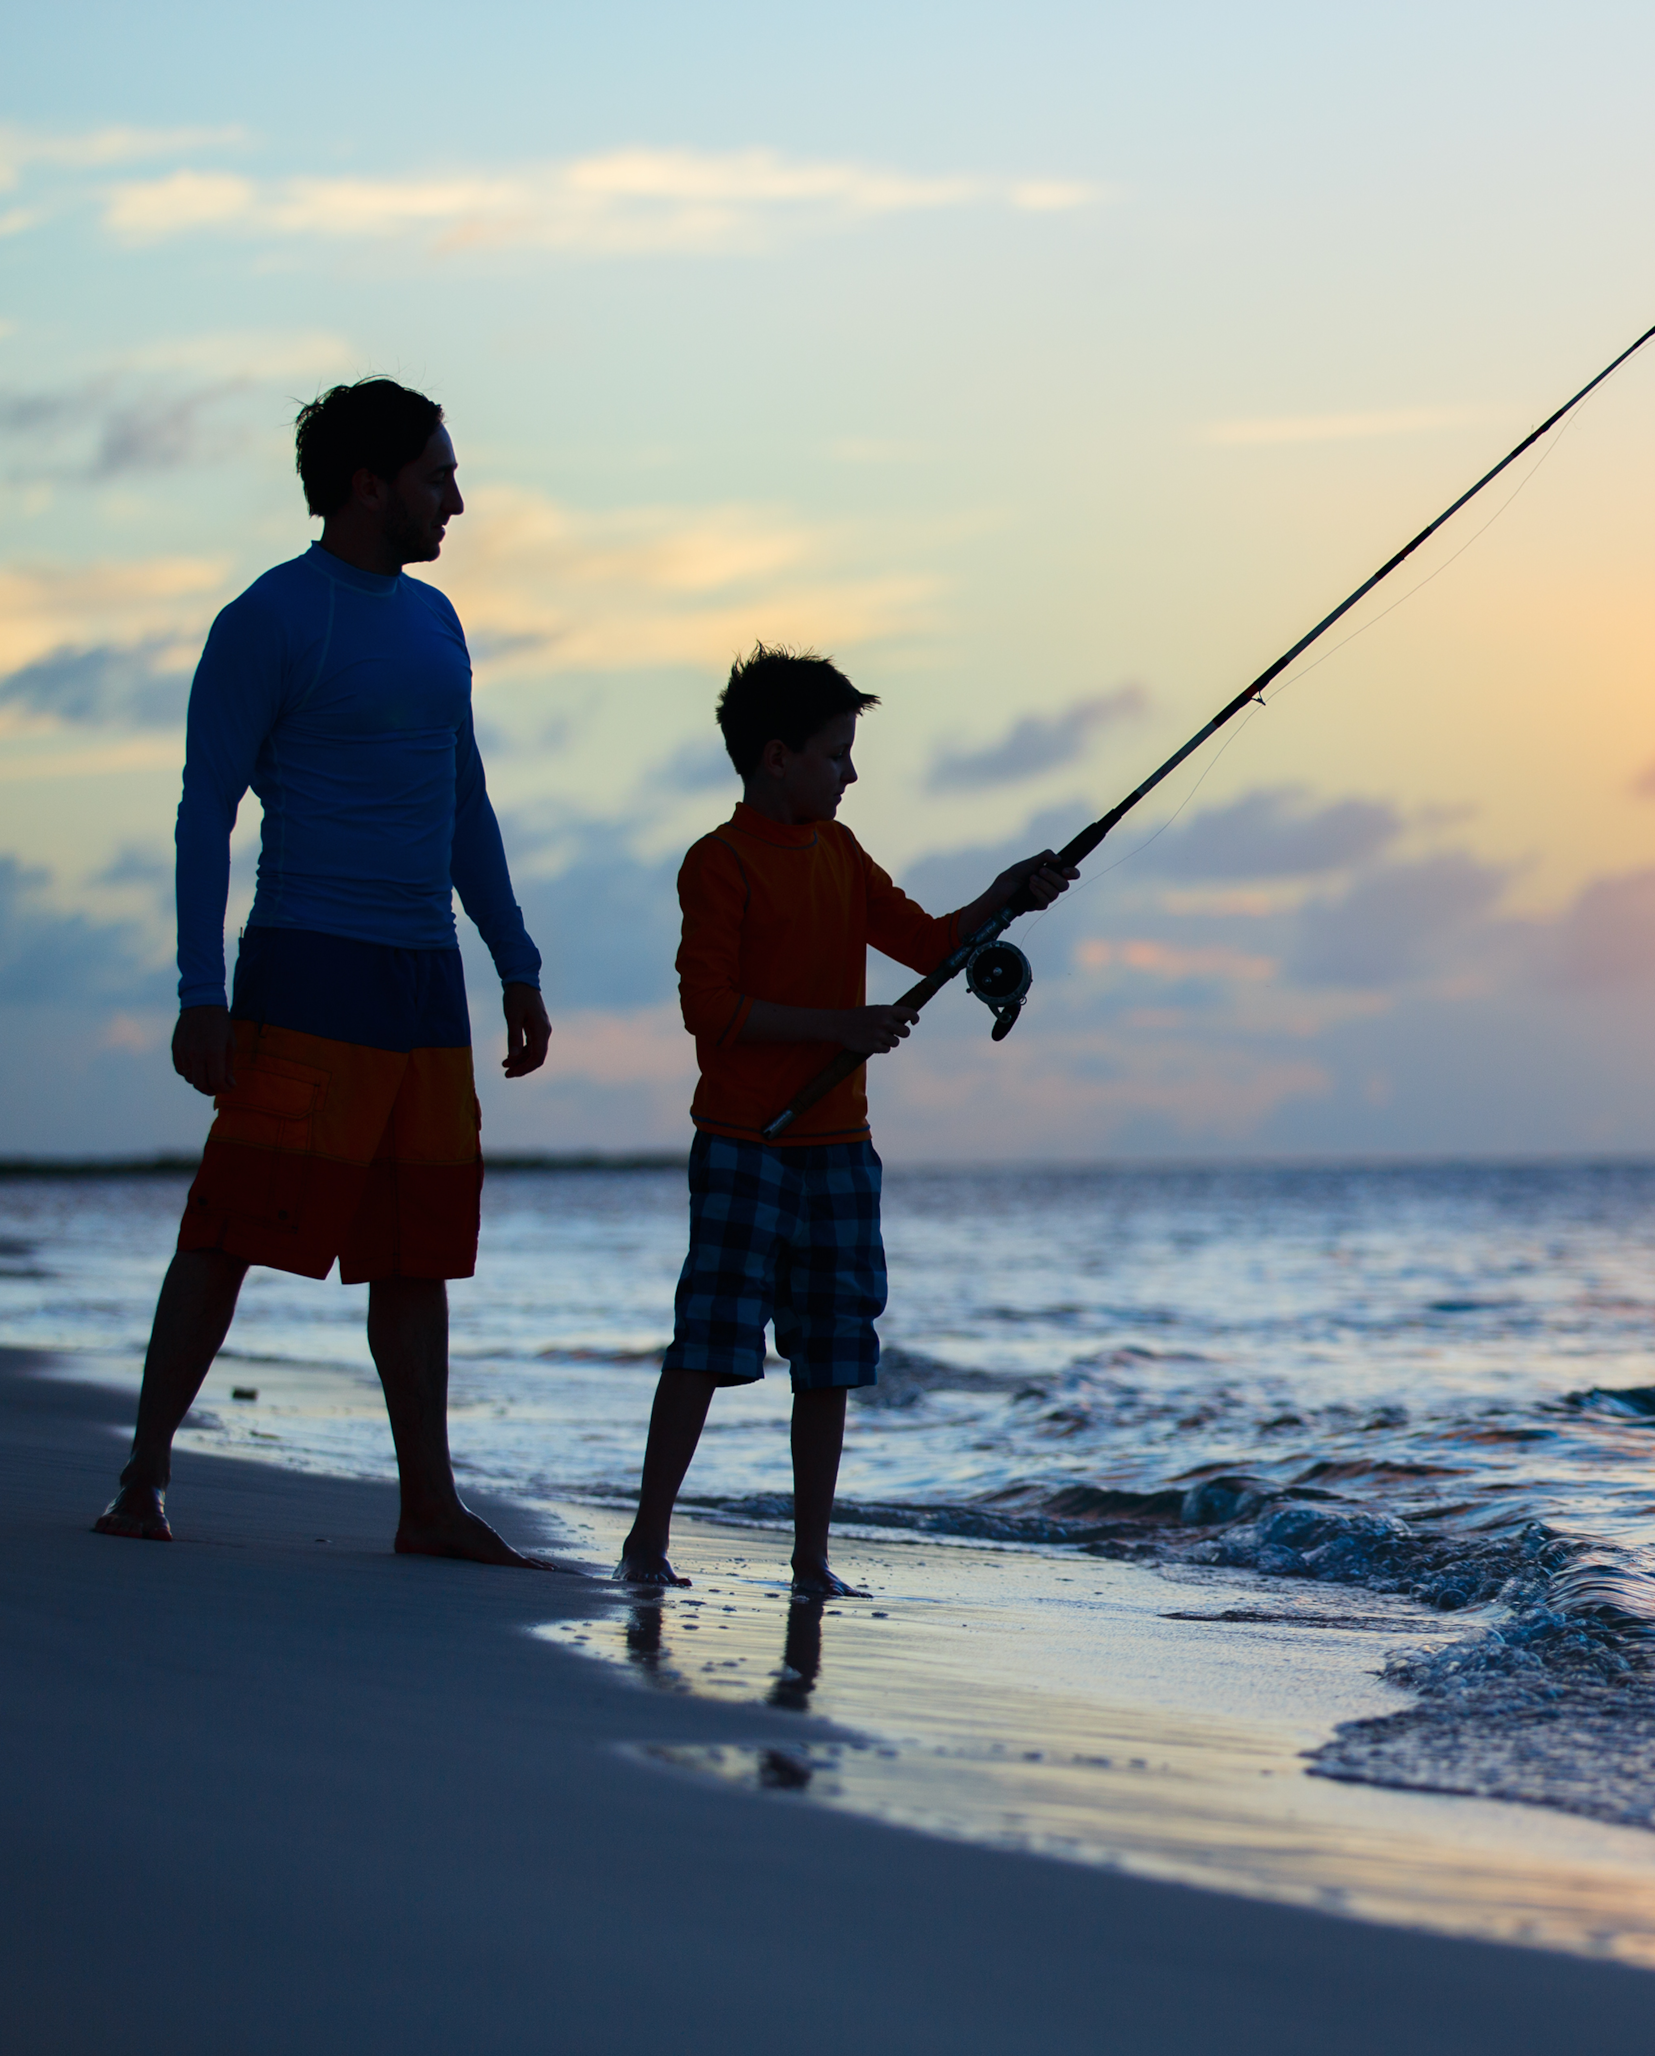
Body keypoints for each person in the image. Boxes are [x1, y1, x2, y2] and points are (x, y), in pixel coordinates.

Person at [95, 378, 554, 1564]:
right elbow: (206, 816)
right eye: (437, 476)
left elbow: (465, 801)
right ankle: (144, 1474)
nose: (458, 498)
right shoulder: (272, 619)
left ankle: (426, 1505)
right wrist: (202, 994)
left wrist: (514, 957)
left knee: (417, 1247)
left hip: (424, 981)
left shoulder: (439, 621)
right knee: (233, 1226)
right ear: (369, 483)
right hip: (306, 966)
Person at [615, 646, 1069, 1594]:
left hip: (840, 1150)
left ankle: (811, 1561)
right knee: (708, 1340)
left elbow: (932, 943)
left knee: (828, 1359)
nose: (851, 773)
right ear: (775, 756)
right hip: (747, 1141)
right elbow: (713, 1009)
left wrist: (1008, 891)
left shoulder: (844, 853)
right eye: (836, 754)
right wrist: (842, 1028)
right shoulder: (719, 863)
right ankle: (647, 1541)